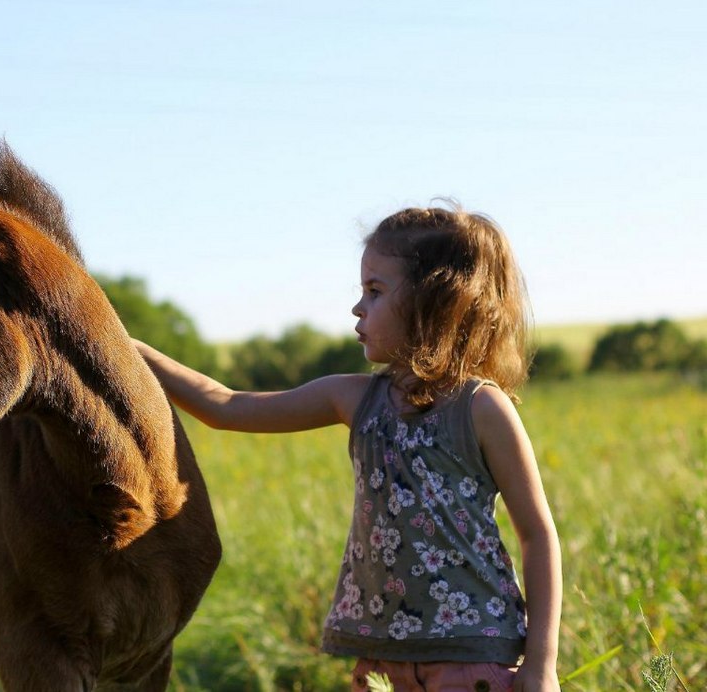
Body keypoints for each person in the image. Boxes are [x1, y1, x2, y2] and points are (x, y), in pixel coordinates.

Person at [135, 204, 562, 692]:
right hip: (380, 662)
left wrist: (541, 664)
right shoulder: (355, 398)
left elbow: (537, 535)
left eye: (375, 292)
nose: (358, 308)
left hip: (473, 658)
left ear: (437, 301)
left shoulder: (481, 407)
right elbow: (228, 406)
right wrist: (135, 352)